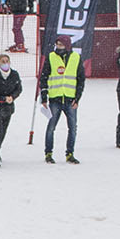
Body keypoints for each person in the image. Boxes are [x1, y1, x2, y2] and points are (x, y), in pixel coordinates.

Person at [39, 32, 84, 163]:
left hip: (70, 99)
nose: (58, 47)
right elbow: (44, 77)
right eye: (57, 44)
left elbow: (81, 79)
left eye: (61, 45)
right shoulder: (51, 57)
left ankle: (70, 153)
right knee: (51, 127)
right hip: (55, 98)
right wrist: (44, 96)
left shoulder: (76, 57)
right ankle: (48, 153)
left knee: (73, 128)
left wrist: (78, 97)